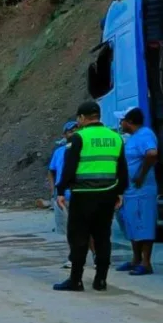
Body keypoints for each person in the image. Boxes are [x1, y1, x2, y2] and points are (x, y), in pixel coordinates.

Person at [54, 101, 128, 292]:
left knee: (79, 238)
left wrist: (61, 191)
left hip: (83, 195)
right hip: (108, 194)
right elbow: (122, 168)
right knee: (103, 237)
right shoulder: (115, 137)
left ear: (81, 118)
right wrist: (120, 191)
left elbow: (69, 168)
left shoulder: (78, 138)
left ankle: (76, 280)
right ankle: (101, 280)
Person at [113, 107, 159, 276]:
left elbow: (152, 154)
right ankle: (135, 259)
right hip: (130, 191)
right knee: (132, 224)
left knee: (144, 224)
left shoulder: (145, 134)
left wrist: (141, 175)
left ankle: (146, 262)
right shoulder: (132, 138)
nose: (120, 123)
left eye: (122, 120)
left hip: (142, 190)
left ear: (130, 122)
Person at [49, 120, 95, 269]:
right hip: (63, 197)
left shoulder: (86, 148)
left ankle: (95, 255)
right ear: (64, 134)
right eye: (70, 131)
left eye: (76, 130)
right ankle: (73, 256)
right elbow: (52, 171)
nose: (74, 133)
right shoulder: (59, 152)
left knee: (88, 229)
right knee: (70, 230)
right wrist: (54, 191)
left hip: (81, 194)